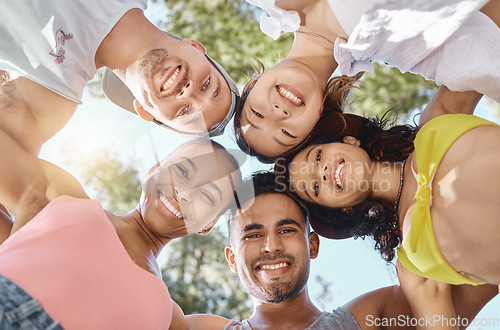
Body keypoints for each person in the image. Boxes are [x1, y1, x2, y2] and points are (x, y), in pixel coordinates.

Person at [182, 171, 497, 329]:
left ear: (313, 244)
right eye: (252, 235)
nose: (272, 245)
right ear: (232, 259)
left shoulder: (372, 318)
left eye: (286, 229)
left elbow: (487, 269)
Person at [0, 137, 243, 329]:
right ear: (153, 170)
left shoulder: (170, 318)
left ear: (208, 224)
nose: (185, 193)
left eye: (208, 195)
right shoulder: (62, 193)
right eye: (181, 171)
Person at [284, 78, 500, 286]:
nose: (321, 172)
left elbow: (480, 54)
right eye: (314, 187)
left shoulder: (436, 120)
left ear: (349, 140)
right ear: (343, 210)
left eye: (318, 156)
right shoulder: (413, 268)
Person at [234, 0, 500, 160]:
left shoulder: (274, 4)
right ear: (317, 122)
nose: (278, 114)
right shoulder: (406, 46)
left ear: (253, 84)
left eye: (257, 113)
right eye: (287, 133)